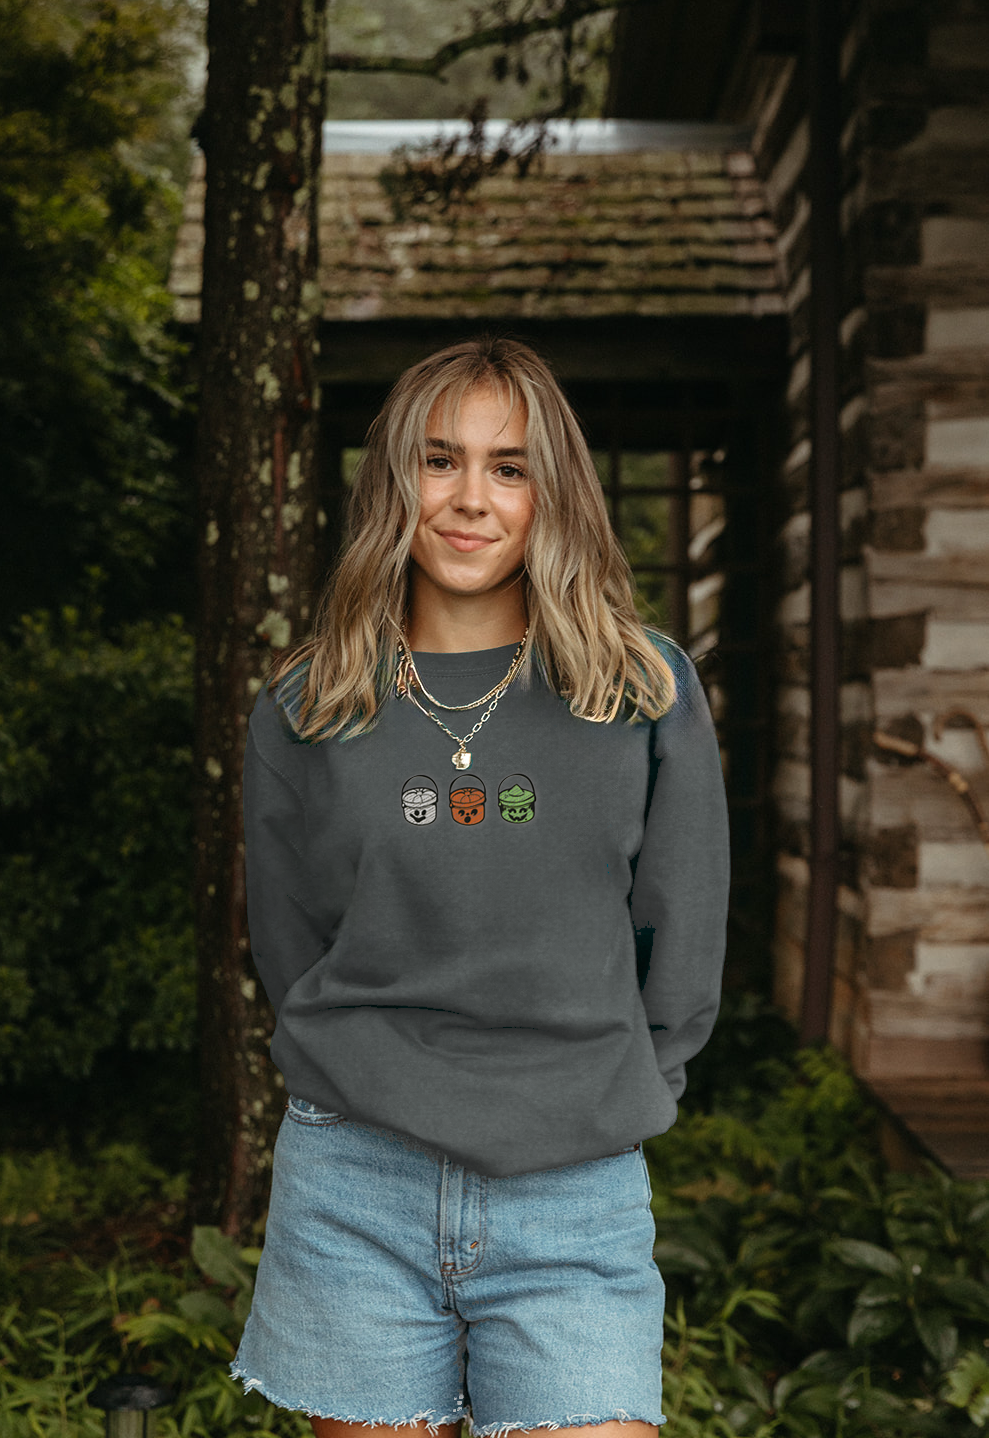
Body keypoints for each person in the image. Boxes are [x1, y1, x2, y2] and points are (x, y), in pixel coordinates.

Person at [231, 338, 729, 1438]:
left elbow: (679, 939)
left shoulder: (640, 692)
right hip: (355, 1177)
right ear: (390, 483)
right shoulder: (307, 707)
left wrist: (606, 1089)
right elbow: (288, 942)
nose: (468, 499)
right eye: (438, 459)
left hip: (573, 1189)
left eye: (508, 467)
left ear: (553, 493)